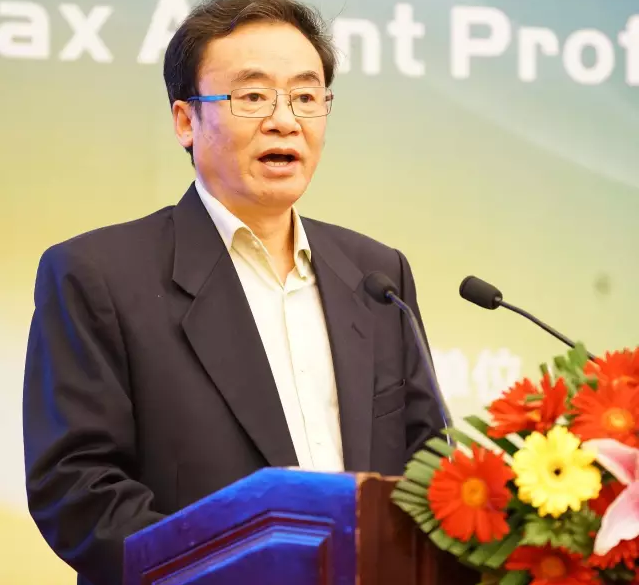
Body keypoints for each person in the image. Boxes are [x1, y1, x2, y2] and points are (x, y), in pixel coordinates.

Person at [22, 0, 446, 584]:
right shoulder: (97, 275)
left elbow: (429, 467)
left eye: (306, 96)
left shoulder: (377, 274)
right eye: (253, 96)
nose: (285, 120)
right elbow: (78, 491)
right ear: (185, 121)